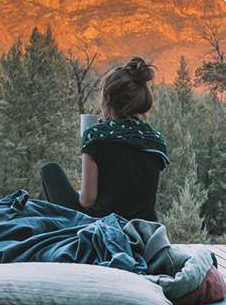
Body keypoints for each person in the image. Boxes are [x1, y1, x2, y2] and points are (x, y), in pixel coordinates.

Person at [41, 56, 169, 221]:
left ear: (107, 97)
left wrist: (96, 134)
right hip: (143, 226)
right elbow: (129, 179)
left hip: (102, 225)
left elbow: (87, 200)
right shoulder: (156, 140)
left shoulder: (96, 135)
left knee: (49, 170)